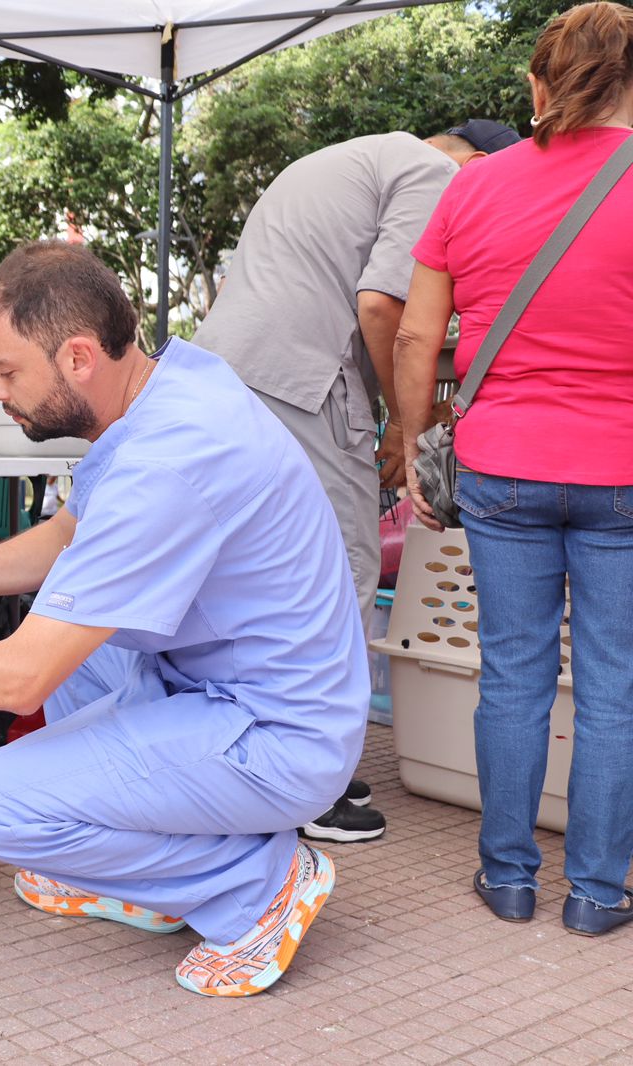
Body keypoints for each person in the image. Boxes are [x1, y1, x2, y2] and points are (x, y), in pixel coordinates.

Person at [0, 241, 367, 997]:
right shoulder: (166, 388)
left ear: (78, 357)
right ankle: (174, 860)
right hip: (221, 681)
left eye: (7, 371)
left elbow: (18, 679)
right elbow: (70, 536)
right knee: (72, 629)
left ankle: (254, 883)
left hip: (279, 735)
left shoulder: (167, 462)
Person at [192, 119, 520, 842]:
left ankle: (277, 761)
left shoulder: (355, 157)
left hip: (230, 374)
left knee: (263, 580)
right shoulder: (434, 176)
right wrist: (406, 426)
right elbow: (382, 308)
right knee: (342, 572)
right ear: (479, 167)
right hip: (303, 382)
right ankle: (307, 784)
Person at [397, 2, 633, 936]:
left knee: (513, 675)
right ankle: (600, 894)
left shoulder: (472, 188)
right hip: (623, 476)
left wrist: (420, 447)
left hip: (500, 466)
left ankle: (508, 879)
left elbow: (419, 334)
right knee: (615, 682)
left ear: (540, 85)